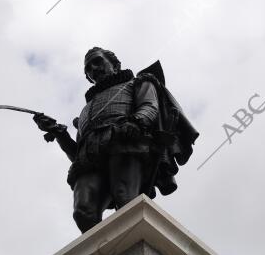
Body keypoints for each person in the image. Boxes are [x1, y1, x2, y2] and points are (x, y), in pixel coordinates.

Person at [33, 48, 198, 232]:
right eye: (88, 68)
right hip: (90, 160)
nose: (93, 69)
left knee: (126, 202)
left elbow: (149, 106)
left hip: (125, 144)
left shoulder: (138, 82)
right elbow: (77, 154)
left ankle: (134, 248)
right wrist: (58, 133)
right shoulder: (86, 109)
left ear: (116, 65)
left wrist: (136, 122)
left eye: (97, 62)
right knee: (83, 212)